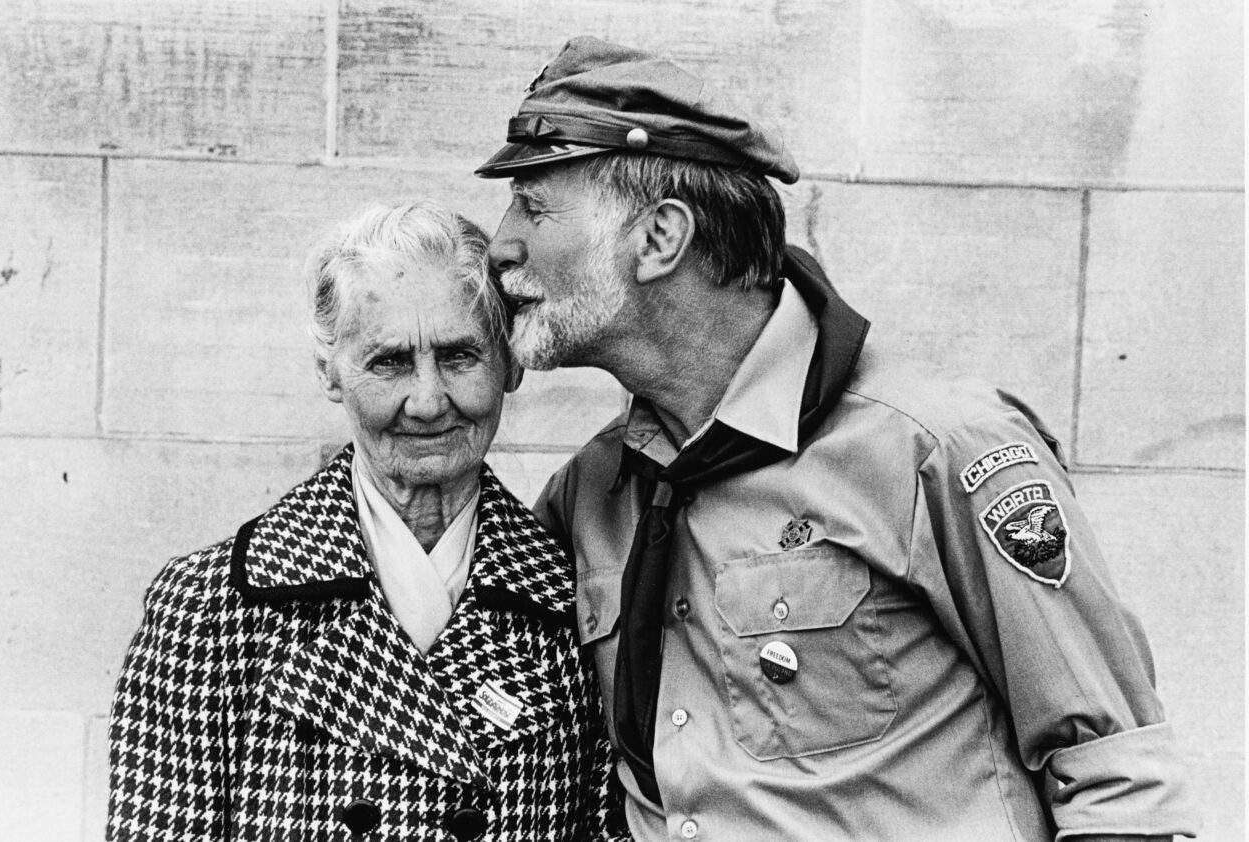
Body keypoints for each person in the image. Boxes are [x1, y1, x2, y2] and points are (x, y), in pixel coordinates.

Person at [475, 36, 1201, 842]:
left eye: (534, 209)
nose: (502, 242)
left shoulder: (938, 447)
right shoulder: (592, 493)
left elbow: (1120, 783)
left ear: (659, 239)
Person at [106, 199, 622, 841]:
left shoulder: (580, 605)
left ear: (511, 363)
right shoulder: (205, 611)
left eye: (461, 357)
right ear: (329, 370)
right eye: (389, 362)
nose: (429, 401)